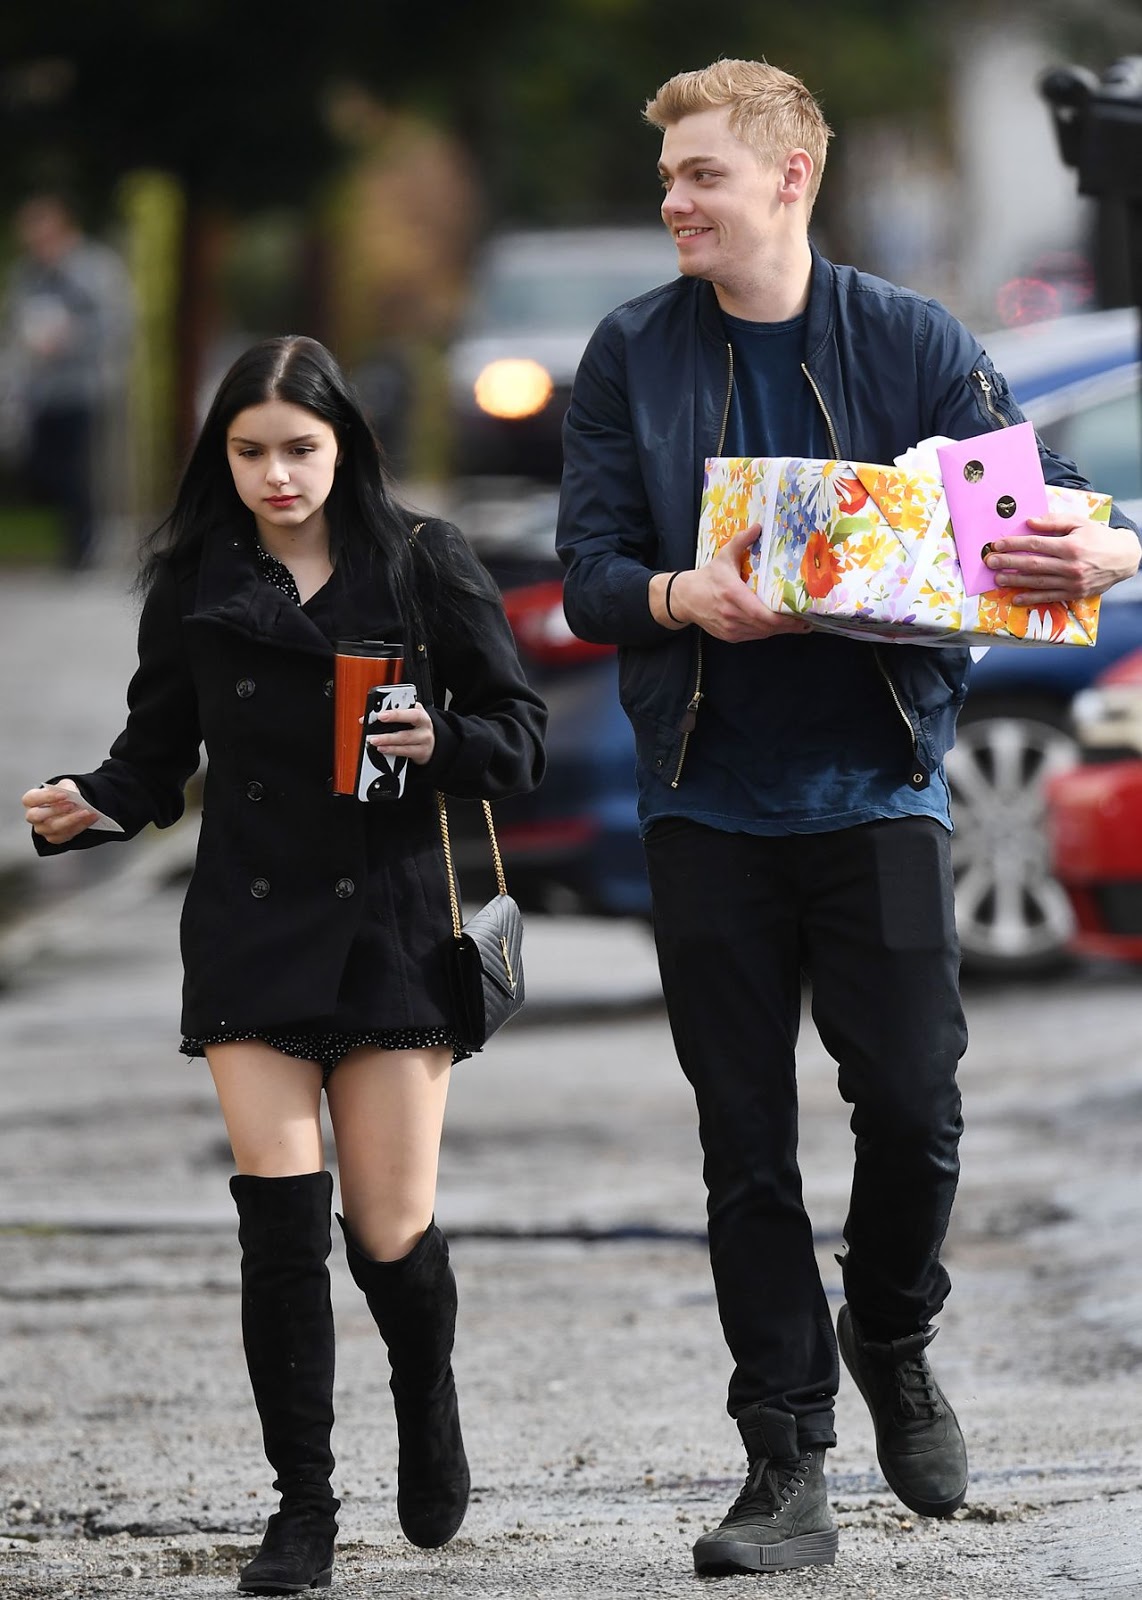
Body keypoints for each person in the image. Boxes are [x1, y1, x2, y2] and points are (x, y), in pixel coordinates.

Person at [555, 59, 1141, 1577]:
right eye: (668, 174)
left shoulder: (908, 339)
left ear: (790, 176)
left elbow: (1038, 495)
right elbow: (591, 570)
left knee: (916, 1108)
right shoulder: (631, 354)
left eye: (701, 175)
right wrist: (686, 595)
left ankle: (889, 1331)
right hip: (706, 799)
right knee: (743, 1144)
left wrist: (1086, 536)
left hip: (874, 783)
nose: (674, 199)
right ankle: (783, 1462)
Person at [22, 335, 547, 1595]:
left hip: (396, 925)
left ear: (344, 446)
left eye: (298, 449)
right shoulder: (196, 584)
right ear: (225, 458)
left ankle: (425, 1398)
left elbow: (519, 735)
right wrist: (89, 802)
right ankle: (300, 1507)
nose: (276, 475)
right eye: (249, 452)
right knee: (278, 1223)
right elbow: (156, 758)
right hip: (252, 929)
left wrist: (443, 736)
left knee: (387, 1228)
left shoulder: (422, 563)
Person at [1, 192, 134, 570]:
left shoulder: (95, 270)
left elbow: (117, 324)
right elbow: (15, 324)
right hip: (41, 391)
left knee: (78, 468)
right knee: (44, 464)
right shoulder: (27, 274)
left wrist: (70, 337)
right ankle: (74, 539)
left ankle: (81, 547)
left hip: (85, 386)